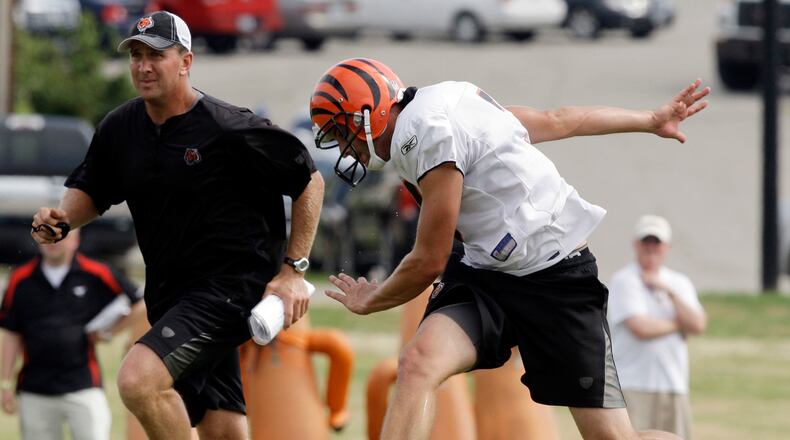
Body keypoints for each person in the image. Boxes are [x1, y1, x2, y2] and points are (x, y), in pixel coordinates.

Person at [309, 58, 709, 440]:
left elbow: (429, 259)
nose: (345, 147)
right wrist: (648, 120)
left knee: (611, 436)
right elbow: (557, 120)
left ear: (369, 114)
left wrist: (374, 298)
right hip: (487, 272)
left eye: (342, 132)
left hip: (555, 277)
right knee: (419, 363)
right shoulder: (447, 99)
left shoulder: (426, 134)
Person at [30, 10, 324, 440]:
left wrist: (292, 271)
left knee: (138, 380)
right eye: (135, 55)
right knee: (220, 425)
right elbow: (93, 187)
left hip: (230, 289)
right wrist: (62, 220)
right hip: (170, 295)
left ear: (185, 62)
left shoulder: (229, 128)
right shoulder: (120, 128)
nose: (143, 66)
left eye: (156, 55)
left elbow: (308, 180)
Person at [0, 229, 144, 440]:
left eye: (60, 235)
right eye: (47, 235)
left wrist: (111, 331)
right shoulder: (20, 279)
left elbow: (140, 303)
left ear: (75, 239)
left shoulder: (95, 271)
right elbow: (12, 333)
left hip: (83, 385)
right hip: (34, 388)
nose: (53, 242)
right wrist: (5, 383)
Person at [607, 215, 707, 439]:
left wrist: (669, 293)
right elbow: (640, 327)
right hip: (634, 382)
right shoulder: (625, 280)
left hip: (673, 383)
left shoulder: (679, 283)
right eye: (646, 241)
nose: (651, 247)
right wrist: (679, 324)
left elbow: (698, 323)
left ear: (666, 247)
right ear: (636, 244)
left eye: (656, 242)